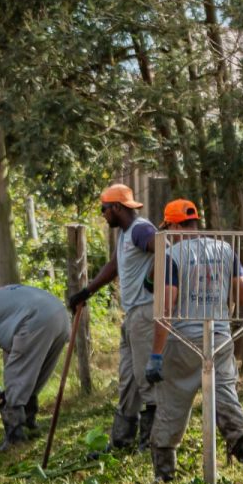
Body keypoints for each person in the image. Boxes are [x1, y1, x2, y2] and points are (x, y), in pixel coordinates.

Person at [144, 199, 243, 482]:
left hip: (183, 342)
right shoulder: (224, 248)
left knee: (172, 402)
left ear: (172, 225)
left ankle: (165, 474)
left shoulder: (172, 255)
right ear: (195, 223)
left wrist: (156, 355)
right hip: (219, 339)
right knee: (224, 397)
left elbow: (166, 308)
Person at [69, 183, 158, 452]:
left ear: (117, 207)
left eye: (104, 209)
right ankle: (121, 442)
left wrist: (154, 280)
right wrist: (87, 291)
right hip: (131, 315)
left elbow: (164, 249)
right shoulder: (125, 235)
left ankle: (153, 444)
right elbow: (114, 266)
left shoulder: (141, 229)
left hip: (146, 312)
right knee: (128, 380)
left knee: (147, 380)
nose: (103, 214)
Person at [0, 284, 71, 449]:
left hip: (36, 320)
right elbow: (14, 350)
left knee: (14, 387)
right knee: (31, 378)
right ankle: (30, 425)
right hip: (60, 316)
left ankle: (15, 438)